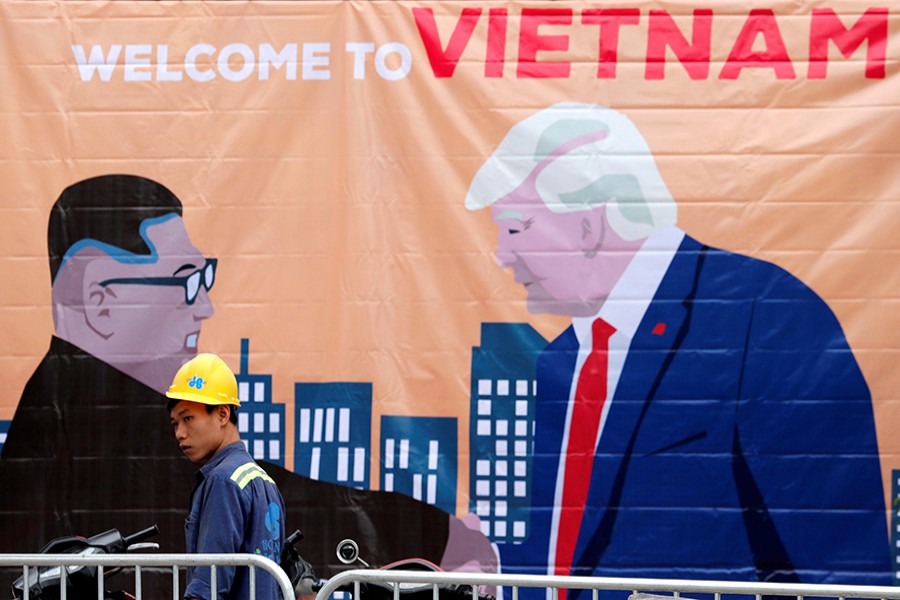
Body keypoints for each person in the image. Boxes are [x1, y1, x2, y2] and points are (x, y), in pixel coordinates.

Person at [465, 103, 891, 596]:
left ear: (589, 225)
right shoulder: (562, 360)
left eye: (517, 228)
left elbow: (840, 565)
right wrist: (492, 565)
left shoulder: (769, 317)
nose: (502, 253)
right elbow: (578, 553)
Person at [0, 174, 495, 595]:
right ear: (100, 302)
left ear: (223, 415)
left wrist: (437, 535)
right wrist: (440, 535)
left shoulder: (218, 478)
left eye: (205, 278)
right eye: (188, 282)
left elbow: (211, 580)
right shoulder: (89, 425)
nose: (205, 307)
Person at [167, 352, 285, 600]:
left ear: (222, 414)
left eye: (188, 418)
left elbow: (209, 583)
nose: (180, 433)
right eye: (175, 423)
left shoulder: (223, 480)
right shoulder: (265, 481)